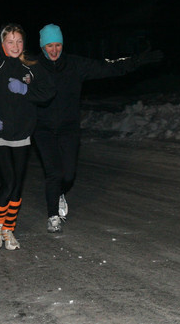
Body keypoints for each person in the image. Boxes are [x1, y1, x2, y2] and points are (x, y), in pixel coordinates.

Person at [34, 24, 163, 233]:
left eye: (58, 45)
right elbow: (5, 77)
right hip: (42, 129)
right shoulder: (33, 67)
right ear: (42, 46)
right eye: (50, 45)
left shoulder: (75, 65)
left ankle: (59, 193)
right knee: (53, 173)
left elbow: (108, 67)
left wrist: (136, 61)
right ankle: (52, 216)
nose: (54, 50)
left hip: (68, 127)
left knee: (68, 175)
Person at [0, 23, 55, 250]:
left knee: (17, 185)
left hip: (23, 132)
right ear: (2, 44)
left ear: (24, 43)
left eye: (19, 41)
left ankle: (8, 230)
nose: (15, 46)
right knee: (8, 181)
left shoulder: (32, 67)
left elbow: (48, 91)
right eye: (10, 41)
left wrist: (26, 90)